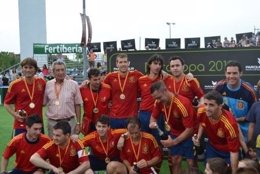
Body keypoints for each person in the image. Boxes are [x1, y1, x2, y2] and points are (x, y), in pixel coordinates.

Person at [149, 80, 196, 174]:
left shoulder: (182, 103)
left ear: (165, 90)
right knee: (175, 161)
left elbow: (189, 129)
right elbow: (153, 118)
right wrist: (152, 123)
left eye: (159, 97)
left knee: (191, 163)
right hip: (174, 133)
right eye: (155, 98)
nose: (157, 100)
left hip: (189, 134)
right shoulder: (158, 102)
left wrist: (173, 142)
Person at [192, 90, 240, 174]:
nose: (207, 108)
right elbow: (202, 123)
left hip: (227, 151)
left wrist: (234, 172)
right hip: (212, 147)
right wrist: (198, 137)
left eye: (211, 105)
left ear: (220, 106)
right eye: (206, 104)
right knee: (209, 171)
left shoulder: (230, 123)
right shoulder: (201, 111)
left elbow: (234, 151)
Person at [214, 61, 257, 141]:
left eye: (234, 73)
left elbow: (254, 117)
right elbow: (212, 106)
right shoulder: (219, 87)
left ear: (240, 73)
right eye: (229, 73)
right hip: (224, 131)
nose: (231, 76)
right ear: (225, 74)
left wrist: (236, 120)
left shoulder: (249, 91)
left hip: (244, 133)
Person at [4, 57, 46, 136]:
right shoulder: (15, 84)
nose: (28, 70)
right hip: (21, 124)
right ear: (22, 69)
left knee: (38, 148)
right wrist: (15, 114)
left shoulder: (42, 82)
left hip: (37, 124)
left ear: (35, 69)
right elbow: (6, 103)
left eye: (31, 67)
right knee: (20, 148)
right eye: (25, 67)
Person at [103, 53, 143, 128]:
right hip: (115, 116)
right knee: (115, 139)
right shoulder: (110, 77)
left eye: (125, 62)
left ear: (128, 63)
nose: (123, 64)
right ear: (117, 64)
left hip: (131, 117)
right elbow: (100, 87)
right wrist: (87, 83)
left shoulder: (136, 75)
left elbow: (148, 81)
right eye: (120, 62)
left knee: (131, 139)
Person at [44, 60, 83, 137]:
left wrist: (78, 123)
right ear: (53, 72)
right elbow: (43, 102)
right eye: (57, 70)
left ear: (65, 71)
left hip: (69, 122)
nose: (60, 72)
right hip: (53, 123)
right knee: (54, 147)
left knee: (70, 147)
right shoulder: (48, 84)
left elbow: (77, 105)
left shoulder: (73, 84)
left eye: (62, 70)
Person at [80, 68, 111, 135]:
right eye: (95, 80)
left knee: (104, 143)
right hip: (89, 123)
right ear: (89, 79)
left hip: (104, 122)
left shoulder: (108, 88)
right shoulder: (82, 90)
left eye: (99, 79)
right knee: (91, 143)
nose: (98, 82)